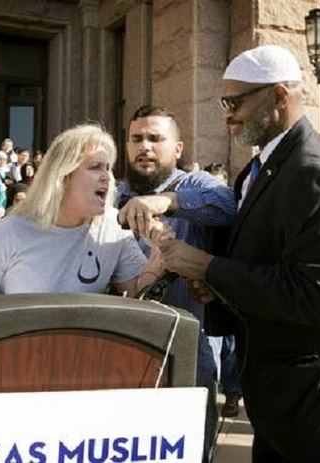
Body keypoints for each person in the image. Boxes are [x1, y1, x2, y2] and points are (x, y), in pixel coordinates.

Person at [158, 45, 320, 462]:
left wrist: (207, 265)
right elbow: (273, 260)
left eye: (235, 101)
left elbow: (319, 296)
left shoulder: (313, 172)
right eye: (224, 102)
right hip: (292, 405)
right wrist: (220, 287)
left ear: (278, 97)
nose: (227, 113)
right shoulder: (268, 165)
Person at [116, 105, 238, 411]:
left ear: (178, 147)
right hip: (123, 345)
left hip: (187, 349)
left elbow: (226, 205)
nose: (145, 146)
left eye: (155, 138)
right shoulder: (113, 194)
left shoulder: (193, 184)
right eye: (137, 138)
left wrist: (166, 201)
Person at [0, 124, 163, 299]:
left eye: (108, 168)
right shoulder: (5, 234)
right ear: (63, 178)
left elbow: (138, 294)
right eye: (95, 167)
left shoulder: (113, 227)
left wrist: (159, 253)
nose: (107, 178)